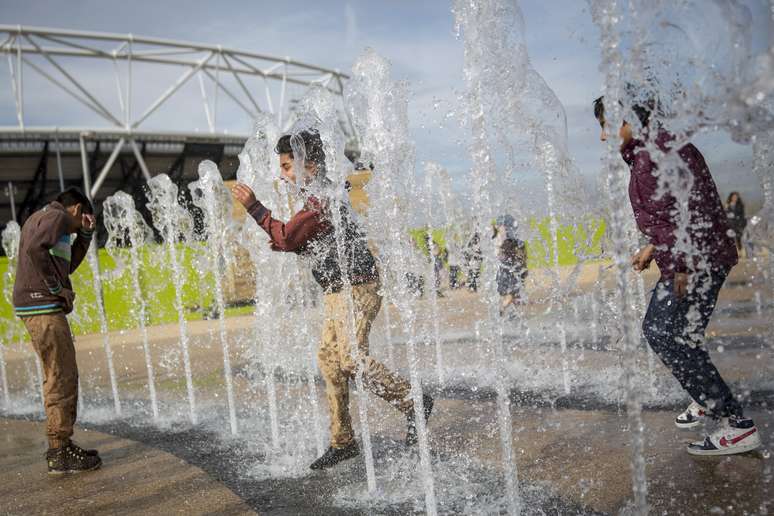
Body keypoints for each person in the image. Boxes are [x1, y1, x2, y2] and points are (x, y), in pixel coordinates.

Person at [231, 130, 432, 470]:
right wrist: (287, 241)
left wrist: (255, 207)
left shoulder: (321, 198)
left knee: (351, 358)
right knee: (329, 360)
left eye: (286, 166)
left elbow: (287, 235)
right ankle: (343, 440)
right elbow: (294, 239)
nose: (282, 174)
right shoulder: (316, 197)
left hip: (358, 287)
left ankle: (414, 401)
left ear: (308, 166)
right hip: (337, 291)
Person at [594, 96, 760, 456]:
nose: (604, 137)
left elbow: (690, 209)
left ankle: (735, 424)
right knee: (684, 333)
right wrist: (653, 248)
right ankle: (704, 399)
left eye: (606, 126)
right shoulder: (653, 149)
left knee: (662, 331)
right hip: (695, 255)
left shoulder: (657, 152)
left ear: (626, 120)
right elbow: (675, 211)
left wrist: (679, 265)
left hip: (693, 260)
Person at [13, 187, 102, 474]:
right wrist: (55, 289)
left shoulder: (46, 219)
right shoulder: (59, 218)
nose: (81, 226)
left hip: (38, 308)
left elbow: (67, 267)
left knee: (59, 372)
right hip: (43, 307)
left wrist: (85, 237)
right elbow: (33, 250)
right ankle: (59, 451)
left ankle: (61, 444)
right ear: (77, 209)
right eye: (83, 220)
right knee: (61, 375)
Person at [493, 215, 528, 316]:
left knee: (513, 292)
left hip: (505, 268)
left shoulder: (498, 238)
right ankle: (503, 308)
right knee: (512, 292)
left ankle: (512, 312)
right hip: (508, 269)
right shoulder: (507, 239)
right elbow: (521, 253)